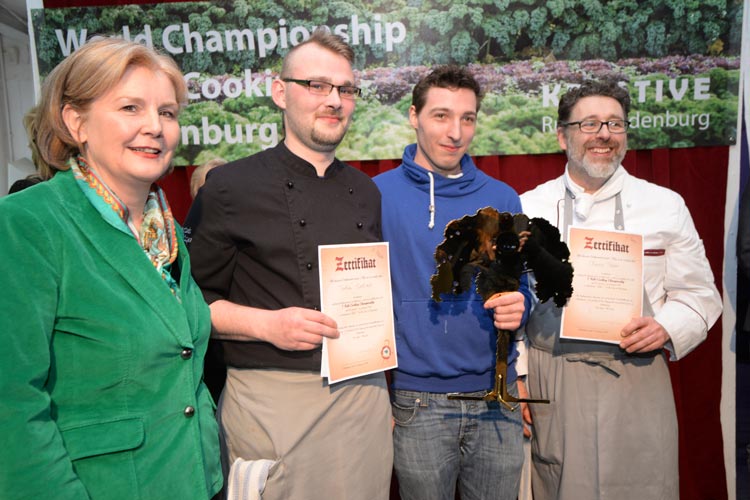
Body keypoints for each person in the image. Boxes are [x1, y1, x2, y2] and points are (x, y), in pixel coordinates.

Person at [0, 38, 222, 499]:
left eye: (167, 113)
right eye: (130, 107)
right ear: (75, 122)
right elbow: (12, 406)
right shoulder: (28, 224)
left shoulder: (169, 233)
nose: (154, 127)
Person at [184, 29, 392, 500]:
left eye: (345, 89)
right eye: (317, 85)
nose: (334, 100)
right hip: (271, 403)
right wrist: (266, 324)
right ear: (281, 92)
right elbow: (187, 304)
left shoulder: (367, 192)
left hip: (363, 399)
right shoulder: (229, 188)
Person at [519, 80, 722, 500]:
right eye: (589, 124)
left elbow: (700, 294)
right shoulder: (526, 207)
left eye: (614, 124)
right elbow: (510, 307)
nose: (604, 135)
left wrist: (666, 327)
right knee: (557, 486)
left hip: (637, 373)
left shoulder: (665, 204)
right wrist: (519, 377)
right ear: (562, 135)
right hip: (552, 377)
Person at [373, 65, 531, 500]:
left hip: (497, 398)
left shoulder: (502, 198)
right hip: (417, 401)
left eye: (468, 118)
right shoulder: (376, 195)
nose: (456, 132)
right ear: (413, 116)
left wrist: (523, 303)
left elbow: (524, 287)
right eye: (441, 116)